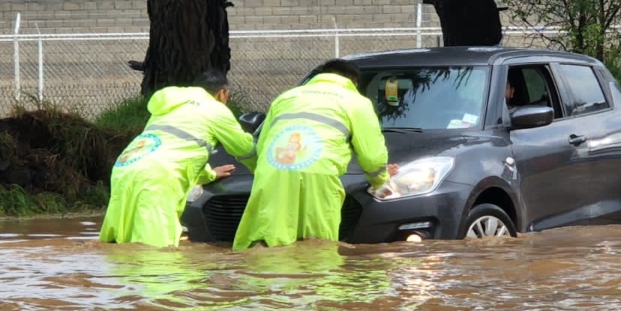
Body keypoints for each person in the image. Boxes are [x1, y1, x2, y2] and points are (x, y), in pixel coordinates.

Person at [233, 59, 398, 250]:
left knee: (268, 238)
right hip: (320, 175)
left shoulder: (285, 97)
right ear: (354, 83)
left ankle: (258, 277)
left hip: (273, 172)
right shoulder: (356, 101)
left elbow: (261, 146)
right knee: (318, 246)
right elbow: (371, 155)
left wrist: (263, 172)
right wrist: (380, 179)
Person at [100, 69, 257, 248]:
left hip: (126, 168)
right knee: (155, 251)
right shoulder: (215, 110)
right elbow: (245, 149)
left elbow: (173, 149)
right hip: (157, 176)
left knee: (118, 242)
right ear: (223, 93)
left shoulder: (168, 107)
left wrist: (209, 174)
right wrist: (262, 171)